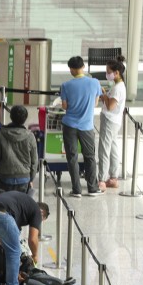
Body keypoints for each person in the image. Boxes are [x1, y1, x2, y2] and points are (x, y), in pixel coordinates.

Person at [0, 191, 49, 285]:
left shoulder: (22, 204)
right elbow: (33, 239)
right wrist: (35, 255)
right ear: (42, 214)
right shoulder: (36, 211)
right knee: (14, 251)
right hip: (1, 212)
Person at [60, 56, 103, 198]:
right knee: (90, 157)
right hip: (87, 126)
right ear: (83, 67)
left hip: (70, 125)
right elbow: (96, 103)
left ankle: (76, 190)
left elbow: (65, 106)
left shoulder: (66, 85)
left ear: (71, 69)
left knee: (72, 157)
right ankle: (92, 188)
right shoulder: (95, 83)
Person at [0, 104, 38, 194]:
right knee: (20, 206)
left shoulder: (0, 134)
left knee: (5, 205)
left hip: (5, 179)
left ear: (11, 116)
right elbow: (34, 161)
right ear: (25, 118)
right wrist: (30, 178)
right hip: (24, 179)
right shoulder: (30, 136)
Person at [98, 56, 127, 190]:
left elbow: (110, 106)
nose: (107, 74)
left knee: (104, 149)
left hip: (110, 120)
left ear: (116, 72)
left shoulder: (117, 88)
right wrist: (106, 94)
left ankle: (102, 179)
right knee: (113, 147)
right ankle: (113, 177)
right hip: (115, 121)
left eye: (108, 71)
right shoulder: (119, 85)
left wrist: (103, 94)